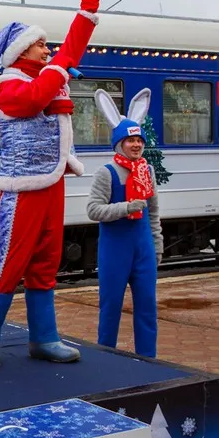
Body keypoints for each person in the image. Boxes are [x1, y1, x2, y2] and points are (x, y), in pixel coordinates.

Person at [0, 0, 104, 368]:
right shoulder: (5, 86)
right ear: (19, 52)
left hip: (51, 182)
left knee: (47, 262)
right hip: (21, 188)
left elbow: (65, 60)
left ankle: (43, 338)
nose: (48, 51)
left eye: (48, 45)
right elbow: (36, 97)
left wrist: (87, 11)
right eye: (41, 45)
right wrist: (59, 68)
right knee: (11, 262)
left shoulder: (47, 74)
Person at [87, 87, 162, 358]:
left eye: (139, 141)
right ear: (119, 144)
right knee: (110, 309)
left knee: (147, 309)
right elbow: (93, 210)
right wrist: (125, 208)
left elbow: (153, 213)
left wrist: (157, 246)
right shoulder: (106, 173)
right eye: (130, 141)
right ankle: (106, 360)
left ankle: (148, 361)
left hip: (143, 250)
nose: (136, 145)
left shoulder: (147, 172)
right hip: (115, 250)